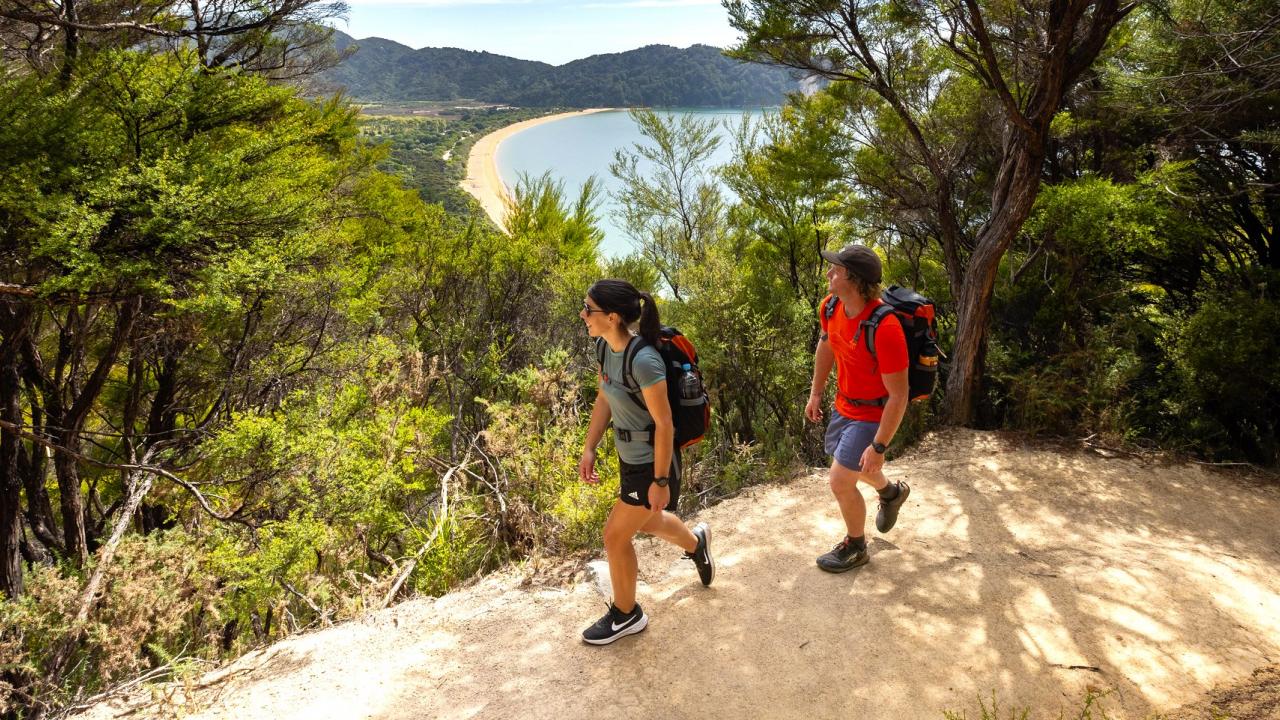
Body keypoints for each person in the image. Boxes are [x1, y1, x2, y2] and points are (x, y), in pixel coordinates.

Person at [577, 279, 715, 645]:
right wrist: (590, 446)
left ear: (612, 316)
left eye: (588, 309)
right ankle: (696, 543)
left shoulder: (645, 360)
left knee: (615, 535)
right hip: (630, 458)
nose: (583, 315)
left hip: (653, 463)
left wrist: (659, 480)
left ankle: (627, 614)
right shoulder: (605, 349)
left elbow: (665, 422)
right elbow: (605, 397)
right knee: (651, 521)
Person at [805, 244, 912, 573]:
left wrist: (879, 445)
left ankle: (856, 546)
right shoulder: (831, 306)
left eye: (835, 270)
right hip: (844, 406)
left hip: (874, 412)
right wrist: (816, 393)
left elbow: (899, 396)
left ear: (853, 279)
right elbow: (827, 345)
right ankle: (890, 492)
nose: (829, 273)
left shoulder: (885, 327)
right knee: (856, 466)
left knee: (840, 479)